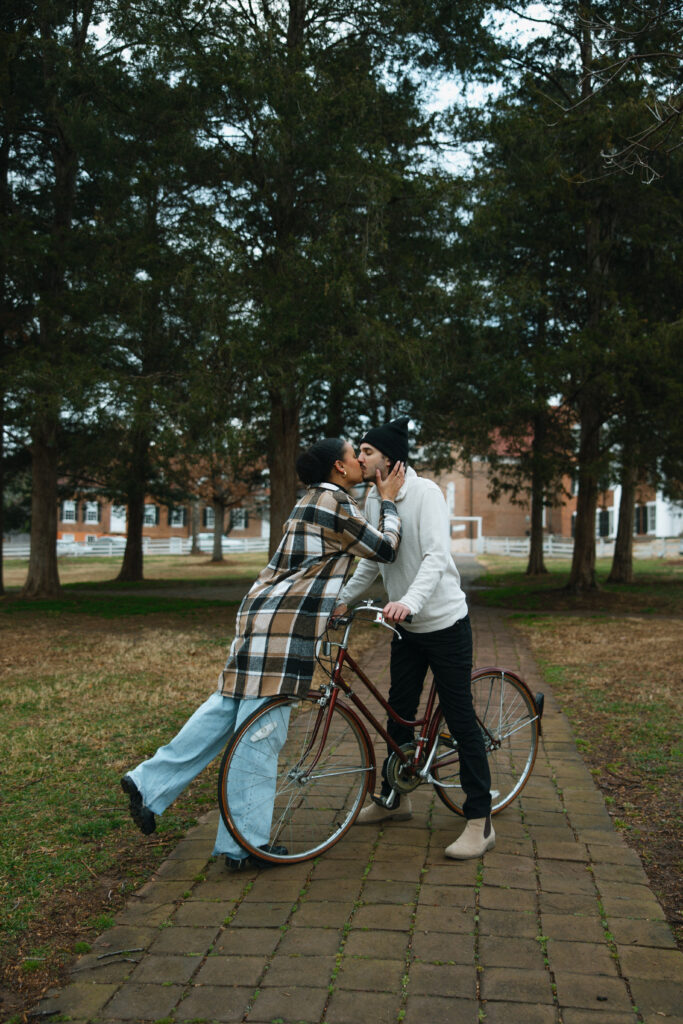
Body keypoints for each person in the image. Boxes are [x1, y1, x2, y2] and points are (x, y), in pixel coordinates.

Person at [121, 437, 404, 870]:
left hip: (261, 615)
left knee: (225, 710)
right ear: (339, 468)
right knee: (261, 735)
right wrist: (387, 502)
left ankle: (148, 784)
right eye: (353, 455)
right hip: (286, 629)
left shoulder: (312, 499)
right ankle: (243, 846)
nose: (360, 460)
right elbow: (385, 548)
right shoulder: (334, 502)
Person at [333, 417, 494, 860]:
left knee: (460, 721)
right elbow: (372, 560)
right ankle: (395, 799)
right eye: (358, 452)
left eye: (366, 451)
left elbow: (436, 556)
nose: (359, 458)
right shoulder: (374, 500)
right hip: (405, 628)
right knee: (399, 715)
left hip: (442, 624)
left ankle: (480, 821)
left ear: (390, 458)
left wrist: (410, 601)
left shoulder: (426, 495)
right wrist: (342, 600)